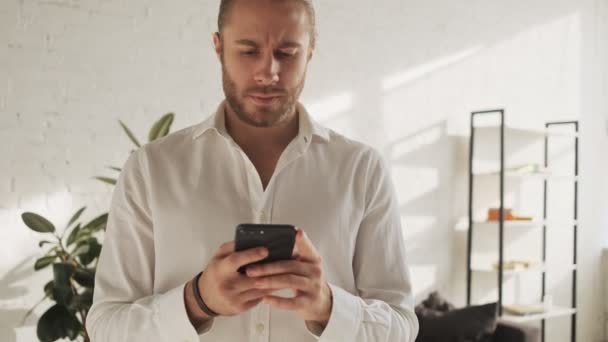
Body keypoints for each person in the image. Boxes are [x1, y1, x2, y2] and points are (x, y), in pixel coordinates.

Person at [85, 0, 419, 341]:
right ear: (218, 48)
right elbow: (106, 327)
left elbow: (401, 327)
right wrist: (197, 301)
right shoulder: (151, 170)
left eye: (287, 53)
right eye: (248, 51)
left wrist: (328, 307)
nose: (268, 72)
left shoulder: (362, 171)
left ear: (310, 53)